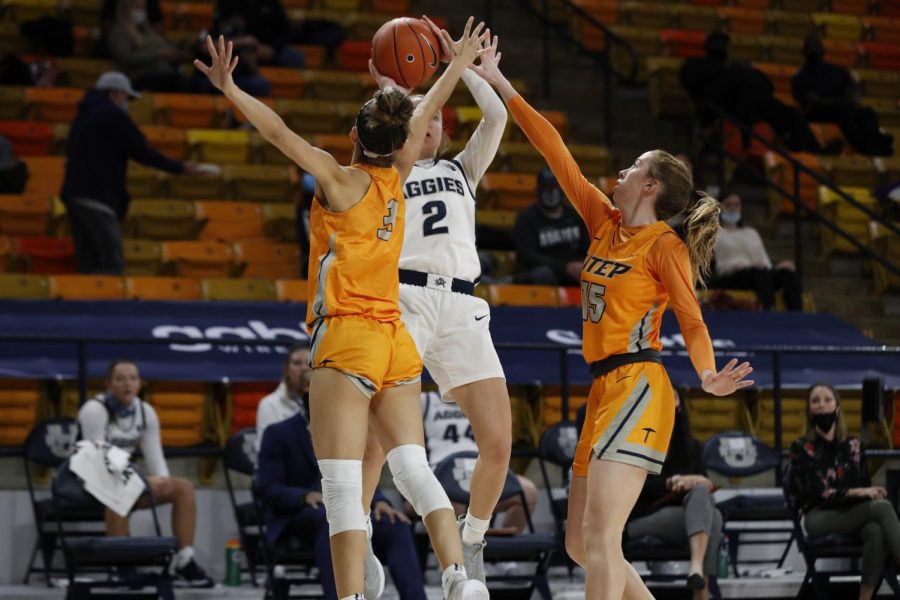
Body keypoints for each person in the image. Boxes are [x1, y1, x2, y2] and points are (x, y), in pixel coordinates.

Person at [195, 21, 490, 600]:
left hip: (347, 335)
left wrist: (231, 90)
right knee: (412, 467)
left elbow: (280, 134)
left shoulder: (338, 178)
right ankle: (459, 577)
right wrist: (455, 65)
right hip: (395, 338)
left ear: (354, 133)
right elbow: (427, 103)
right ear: (402, 140)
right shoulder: (400, 176)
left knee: (339, 485)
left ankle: (352, 595)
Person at [472, 43, 754, 599]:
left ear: (649, 186)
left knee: (602, 536)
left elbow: (692, 321)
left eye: (633, 167)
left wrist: (706, 374)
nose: (621, 171)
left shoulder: (663, 244)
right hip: (602, 387)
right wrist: (500, 81)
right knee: (581, 543)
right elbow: (555, 151)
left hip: (640, 385)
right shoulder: (604, 220)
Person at [366, 22, 512, 584]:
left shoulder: (462, 171)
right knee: (382, 439)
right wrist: (396, 89)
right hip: (403, 297)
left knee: (498, 441)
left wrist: (469, 68)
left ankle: (472, 538)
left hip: (462, 308)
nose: (432, 123)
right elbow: (384, 119)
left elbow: (496, 118)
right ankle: (360, 538)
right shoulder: (386, 170)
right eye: (422, 116)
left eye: (439, 120)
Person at [257, 412, 427, 600]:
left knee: (395, 524)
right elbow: (266, 487)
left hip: (349, 508)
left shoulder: (347, 429)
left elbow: (365, 469)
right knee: (333, 520)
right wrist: (304, 496)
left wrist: (379, 501)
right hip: (299, 515)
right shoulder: (279, 432)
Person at [77, 359, 214, 588]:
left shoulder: (145, 411)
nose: (127, 384)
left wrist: (162, 480)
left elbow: (155, 456)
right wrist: (139, 478)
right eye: (120, 379)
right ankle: (120, 565)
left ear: (140, 383)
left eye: (133, 379)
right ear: (109, 383)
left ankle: (183, 561)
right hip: (84, 480)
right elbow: (96, 462)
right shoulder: (94, 410)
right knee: (116, 489)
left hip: (124, 478)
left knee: (183, 488)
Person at [60, 71, 203, 275]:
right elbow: (141, 150)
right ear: (115, 94)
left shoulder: (83, 117)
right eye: (125, 97)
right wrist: (180, 167)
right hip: (98, 198)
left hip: (74, 194)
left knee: (89, 265)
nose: (126, 103)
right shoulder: (113, 116)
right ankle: (108, 305)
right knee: (112, 262)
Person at [789, 383, 900, 600]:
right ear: (809, 410)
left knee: (875, 532)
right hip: (818, 516)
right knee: (883, 507)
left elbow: (865, 485)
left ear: (837, 407)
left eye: (827, 400)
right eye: (815, 401)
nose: (822, 405)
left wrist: (863, 493)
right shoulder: (801, 447)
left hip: (852, 514)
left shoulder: (853, 445)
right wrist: (859, 493)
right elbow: (820, 492)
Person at [625, 390, 723, 599]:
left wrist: (697, 481)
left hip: (685, 517)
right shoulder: (639, 441)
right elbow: (635, 486)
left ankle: (697, 568)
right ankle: (701, 590)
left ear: (680, 406)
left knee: (703, 497)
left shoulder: (693, 446)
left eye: (674, 397)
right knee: (714, 517)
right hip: (645, 515)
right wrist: (672, 482)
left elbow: (704, 483)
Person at [680, 32, 841, 156]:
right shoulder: (697, 65)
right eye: (716, 43)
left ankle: (813, 151)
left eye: (723, 43)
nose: (720, 47)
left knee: (791, 114)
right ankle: (747, 145)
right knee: (748, 92)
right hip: (727, 105)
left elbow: (767, 84)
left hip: (758, 102)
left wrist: (743, 70)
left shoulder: (737, 67)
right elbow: (694, 84)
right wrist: (729, 70)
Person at [421, 391, 538, 535]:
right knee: (452, 495)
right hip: (442, 470)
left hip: (479, 466)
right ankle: (459, 549)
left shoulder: (482, 401)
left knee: (528, 492)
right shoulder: (426, 401)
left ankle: (501, 550)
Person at [792, 33, 894, 157]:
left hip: (843, 106)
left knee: (867, 113)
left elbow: (852, 92)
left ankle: (876, 142)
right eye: (812, 50)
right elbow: (809, 101)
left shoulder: (837, 71)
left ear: (823, 52)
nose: (815, 53)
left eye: (817, 49)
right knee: (842, 112)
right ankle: (863, 146)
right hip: (818, 112)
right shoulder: (800, 77)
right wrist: (835, 101)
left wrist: (848, 99)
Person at [713, 191, 802, 311]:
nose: (733, 208)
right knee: (759, 273)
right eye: (728, 205)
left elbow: (764, 261)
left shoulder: (751, 232)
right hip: (732, 275)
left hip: (758, 273)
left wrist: (777, 268)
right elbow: (717, 264)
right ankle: (767, 311)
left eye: (736, 204)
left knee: (787, 273)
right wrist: (744, 266)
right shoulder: (714, 233)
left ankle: (797, 315)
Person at [514, 167, 590, 286]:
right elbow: (527, 257)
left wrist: (585, 266)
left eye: (554, 188)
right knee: (543, 274)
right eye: (546, 188)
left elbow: (589, 248)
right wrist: (565, 267)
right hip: (547, 274)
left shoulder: (575, 216)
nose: (551, 193)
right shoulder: (526, 218)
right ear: (538, 190)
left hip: (576, 272)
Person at [107, 0, 193, 92]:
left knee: (193, 81)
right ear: (126, 9)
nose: (141, 11)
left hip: (162, 73)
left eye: (143, 8)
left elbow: (161, 47)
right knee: (181, 81)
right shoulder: (120, 32)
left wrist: (173, 52)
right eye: (138, 7)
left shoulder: (148, 31)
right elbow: (126, 58)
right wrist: (158, 54)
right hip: (139, 77)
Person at [256, 341, 311, 450]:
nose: (304, 368)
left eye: (309, 363)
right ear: (286, 370)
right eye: (297, 363)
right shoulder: (269, 404)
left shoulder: (329, 403)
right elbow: (267, 450)